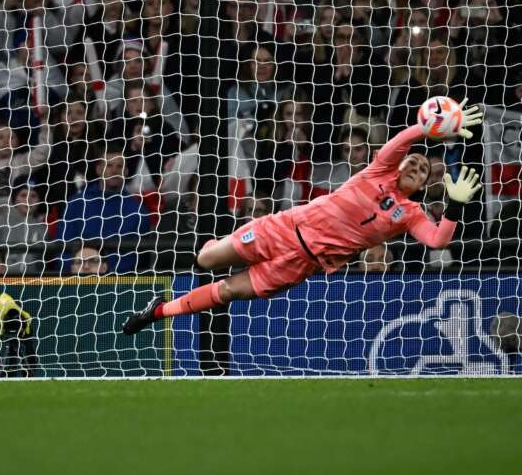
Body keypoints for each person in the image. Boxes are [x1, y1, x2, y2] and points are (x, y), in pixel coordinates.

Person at [123, 101, 486, 335]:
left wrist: (454, 207)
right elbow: (399, 144)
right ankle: (213, 249)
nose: (417, 166)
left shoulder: (410, 214)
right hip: (282, 228)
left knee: (228, 292)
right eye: (414, 161)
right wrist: (431, 126)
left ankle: (157, 312)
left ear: (423, 184)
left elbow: (439, 240)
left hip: (301, 263)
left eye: (423, 170)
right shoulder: (379, 170)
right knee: (206, 259)